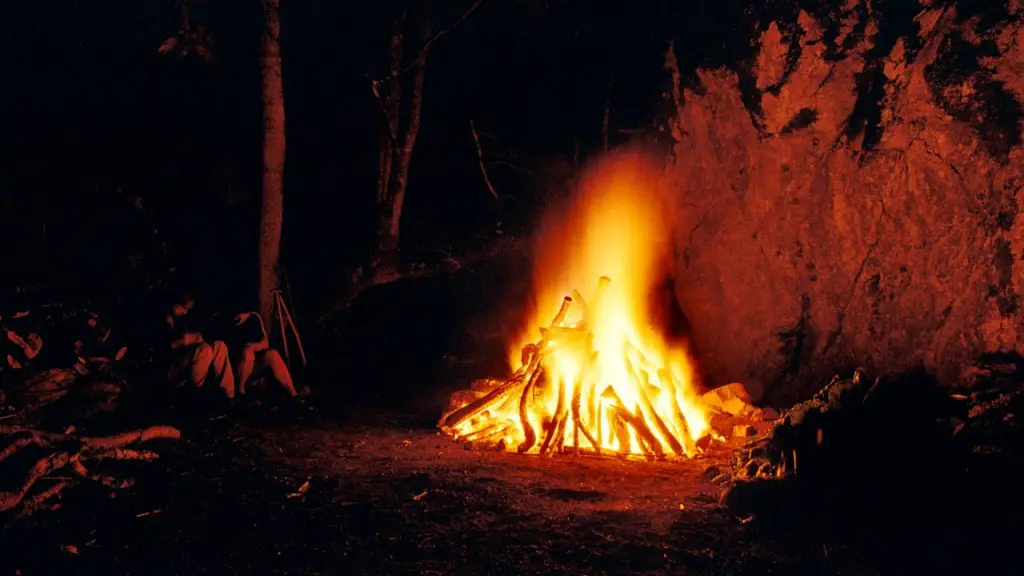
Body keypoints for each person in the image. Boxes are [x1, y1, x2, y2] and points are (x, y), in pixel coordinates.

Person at [163, 292, 236, 399]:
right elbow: (166, 346)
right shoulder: (164, 321)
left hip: (189, 363)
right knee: (204, 349)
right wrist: (188, 340)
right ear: (175, 304)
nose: (184, 312)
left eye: (187, 309)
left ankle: (228, 395)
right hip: (173, 370)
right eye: (183, 308)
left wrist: (193, 338)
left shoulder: (183, 320)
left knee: (219, 346)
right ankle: (195, 396)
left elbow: (197, 337)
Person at [231, 311, 298, 397]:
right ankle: (240, 394)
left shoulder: (254, 318)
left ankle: (293, 393)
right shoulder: (230, 323)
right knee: (247, 352)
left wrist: (255, 347)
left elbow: (265, 342)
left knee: (272, 354)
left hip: (255, 369)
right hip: (238, 371)